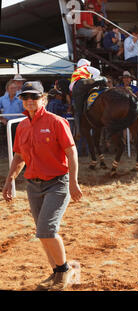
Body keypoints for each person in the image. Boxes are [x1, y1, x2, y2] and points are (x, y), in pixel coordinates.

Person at [2, 81, 82, 290]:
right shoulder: (22, 126)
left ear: (44, 99)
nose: (29, 101)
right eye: (26, 97)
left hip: (57, 183)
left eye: (34, 97)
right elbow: (19, 156)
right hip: (33, 185)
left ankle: (65, 271)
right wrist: (9, 180)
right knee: (42, 233)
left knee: (46, 230)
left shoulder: (56, 122)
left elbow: (71, 152)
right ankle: (57, 272)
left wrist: (73, 181)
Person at [69, 58, 101, 139]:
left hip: (76, 88)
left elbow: (71, 87)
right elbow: (97, 72)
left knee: (78, 111)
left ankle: (78, 131)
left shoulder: (75, 72)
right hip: (85, 83)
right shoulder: (86, 68)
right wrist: (93, 80)